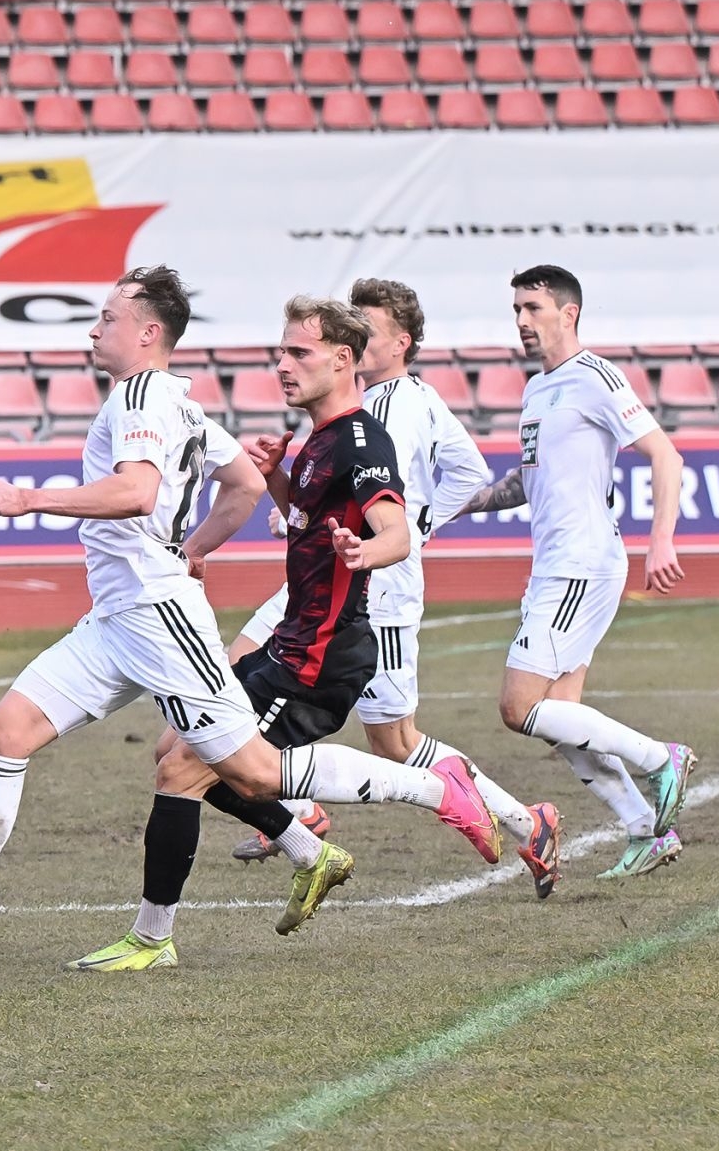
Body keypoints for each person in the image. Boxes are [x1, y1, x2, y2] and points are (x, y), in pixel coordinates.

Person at [0, 273, 499, 969]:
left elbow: (138, 492)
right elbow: (245, 485)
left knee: (247, 771)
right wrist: (194, 547)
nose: (94, 330)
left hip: (159, 614)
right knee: (8, 732)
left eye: (108, 318)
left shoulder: (145, 395)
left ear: (147, 332)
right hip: (118, 616)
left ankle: (433, 788)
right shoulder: (180, 403)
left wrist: (29, 498)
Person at [68, 295, 506, 971]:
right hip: (293, 638)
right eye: (281, 351)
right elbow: (305, 519)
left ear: (342, 359)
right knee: (175, 748)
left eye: (299, 352)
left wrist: (367, 550)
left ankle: (154, 938)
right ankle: (308, 851)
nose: (282, 364)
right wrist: (277, 478)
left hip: (320, 653)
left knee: (187, 767)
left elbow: (393, 528)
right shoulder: (319, 439)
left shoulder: (361, 441)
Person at [224, 279, 565, 899]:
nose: (357, 337)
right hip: (334, 575)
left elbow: (413, 494)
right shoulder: (415, 397)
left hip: (369, 586)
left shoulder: (380, 411)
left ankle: (522, 820)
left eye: (369, 329)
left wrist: (409, 529)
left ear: (399, 342)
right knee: (232, 679)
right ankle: (293, 808)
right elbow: (469, 471)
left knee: (395, 741)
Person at [452, 266, 695, 879]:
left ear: (569, 313)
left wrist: (660, 541)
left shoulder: (594, 376)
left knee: (518, 707)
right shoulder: (538, 390)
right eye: (516, 309)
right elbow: (525, 483)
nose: (522, 320)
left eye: (533, 308)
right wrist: (455, 504)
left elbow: (665, 454)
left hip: (581, 564)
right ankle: (645, 830)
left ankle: (660, 757)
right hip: (558, 564)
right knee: (563, 718)